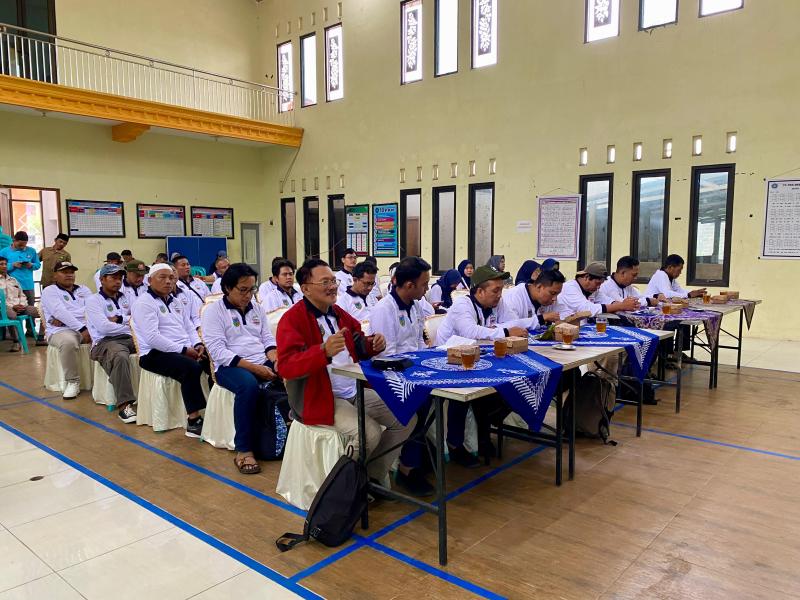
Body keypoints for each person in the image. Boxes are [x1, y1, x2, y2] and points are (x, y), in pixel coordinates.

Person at [277, 258, 414, 487]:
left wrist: (373, 344)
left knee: (406, 417)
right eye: (325, 282)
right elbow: (286, 367)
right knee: (369, 433)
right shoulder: (293, 320)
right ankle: (341, 488)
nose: (332, 286)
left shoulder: (337, 312)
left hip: (354, 388)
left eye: (333, 281)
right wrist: (322, 352)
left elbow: (358, 340)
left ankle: (371, 476)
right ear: (306, 288)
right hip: (321, 397)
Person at [435, 266, 532, 461]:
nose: (500, 295)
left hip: (481, 360)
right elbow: (471, 332)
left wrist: (499, 329)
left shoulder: (497, 303)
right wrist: (503, 331)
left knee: (513, 382)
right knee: (465, 391)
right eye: (495, 290)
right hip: (449, 363)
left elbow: (516, 324)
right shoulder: (462, 305)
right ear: (479, 291)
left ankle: (484, 430)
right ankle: (455, 443)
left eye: (501, 290)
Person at [201, 263, 280, 475]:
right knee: (248, 386)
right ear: (228, 288)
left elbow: (267, 339)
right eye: (243, 290)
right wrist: (256, 369)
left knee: (294, 372)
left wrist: (276, 360)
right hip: (230, 366)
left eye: (252, 289)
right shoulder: (214, 312)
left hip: (260, 359)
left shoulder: (257, 308)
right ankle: (244, 450)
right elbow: (218, 352)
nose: (248, 295)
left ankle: (287, 435)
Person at [131, 263, 210, 437]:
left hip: (181, 349)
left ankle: (213, 410)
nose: (168, 281)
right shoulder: (144, 303)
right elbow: (152, 338)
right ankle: (194, 421)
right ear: (150, 280)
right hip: (153, 353)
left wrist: (197, 344)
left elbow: (189, 327)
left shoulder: (175, 301)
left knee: (212, 361)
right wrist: (184, 350)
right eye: (162, 277)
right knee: (190, 367)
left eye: (171, 278)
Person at [85, 264, 138, 423]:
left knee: (158, 348)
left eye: (120, 278)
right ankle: (125, 405)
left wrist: (121, 320)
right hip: (105, 342)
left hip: (130, 337)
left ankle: (152, 395)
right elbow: (104, 328)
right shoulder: (93, 300)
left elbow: (137, 318)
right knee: (120, 357)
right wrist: (130, 326)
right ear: (102, 279)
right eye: (113, 278)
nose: (118, 281)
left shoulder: (126, 297)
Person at [40, 261, 93, 399]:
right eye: (64, 272)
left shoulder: (84, 289)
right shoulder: (49, 291)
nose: (69, 275)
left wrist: (68, 316)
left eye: (71, 272)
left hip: (86, 327)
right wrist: (81, 325)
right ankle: (73, 382)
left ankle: (102, 382)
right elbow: (59, 312)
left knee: (112, 338)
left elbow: (93, 309)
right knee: (68, 342)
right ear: (55, 275)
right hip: (60, 331)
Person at [556, 262, 640, 318]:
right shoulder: (570, 288)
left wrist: (625, 304)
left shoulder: (592, 290)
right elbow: (588, 309)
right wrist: (621, 306)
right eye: (597, 283)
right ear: (587, 277)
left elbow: (607, 300)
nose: (598, 287)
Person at [499, 268, 565, 326]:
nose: (555, 299)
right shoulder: (514, 297)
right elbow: (510, 326)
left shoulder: (552, 301)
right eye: (552, 293)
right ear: (539, 287)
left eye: (557, 294)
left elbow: (563, 317)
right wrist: (542, 318)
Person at [0, 256, 39, 352]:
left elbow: (21, 295)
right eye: (1, 264)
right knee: (11, 315)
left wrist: (22, 305)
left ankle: (41, 338)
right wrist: (13, 307)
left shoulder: (13, 280)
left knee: (42, 311)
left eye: (5, 264)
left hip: (20, 307)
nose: (4, 266)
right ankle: (16, 342)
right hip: (5, 308)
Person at [0, 231, 40, 312]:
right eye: (20, 245)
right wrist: (12, 265)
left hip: (28, 285)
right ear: (14, 240)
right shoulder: (4, 251)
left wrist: (31, 265)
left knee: (30, 309)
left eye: (25, 245)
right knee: (13, 310)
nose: (22, 247)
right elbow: (1, 267)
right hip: (12, 286)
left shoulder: (31, 251)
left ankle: (31, 321)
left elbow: (38, 265)